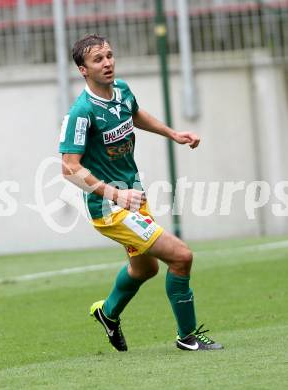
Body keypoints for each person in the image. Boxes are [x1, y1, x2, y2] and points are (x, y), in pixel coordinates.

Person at [59, 34, 223, 352]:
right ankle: (187, 336)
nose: (107, 63)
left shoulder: (121, 91)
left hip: (134, 196)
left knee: (145, 268)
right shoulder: (81, 113)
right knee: (181, 256)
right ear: (83, 69)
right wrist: (114, 195)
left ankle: (108, 313)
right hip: (110, 207)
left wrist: (172, 133)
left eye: (109, 55)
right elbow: (69, 169)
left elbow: (134, 114)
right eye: (98, 59)